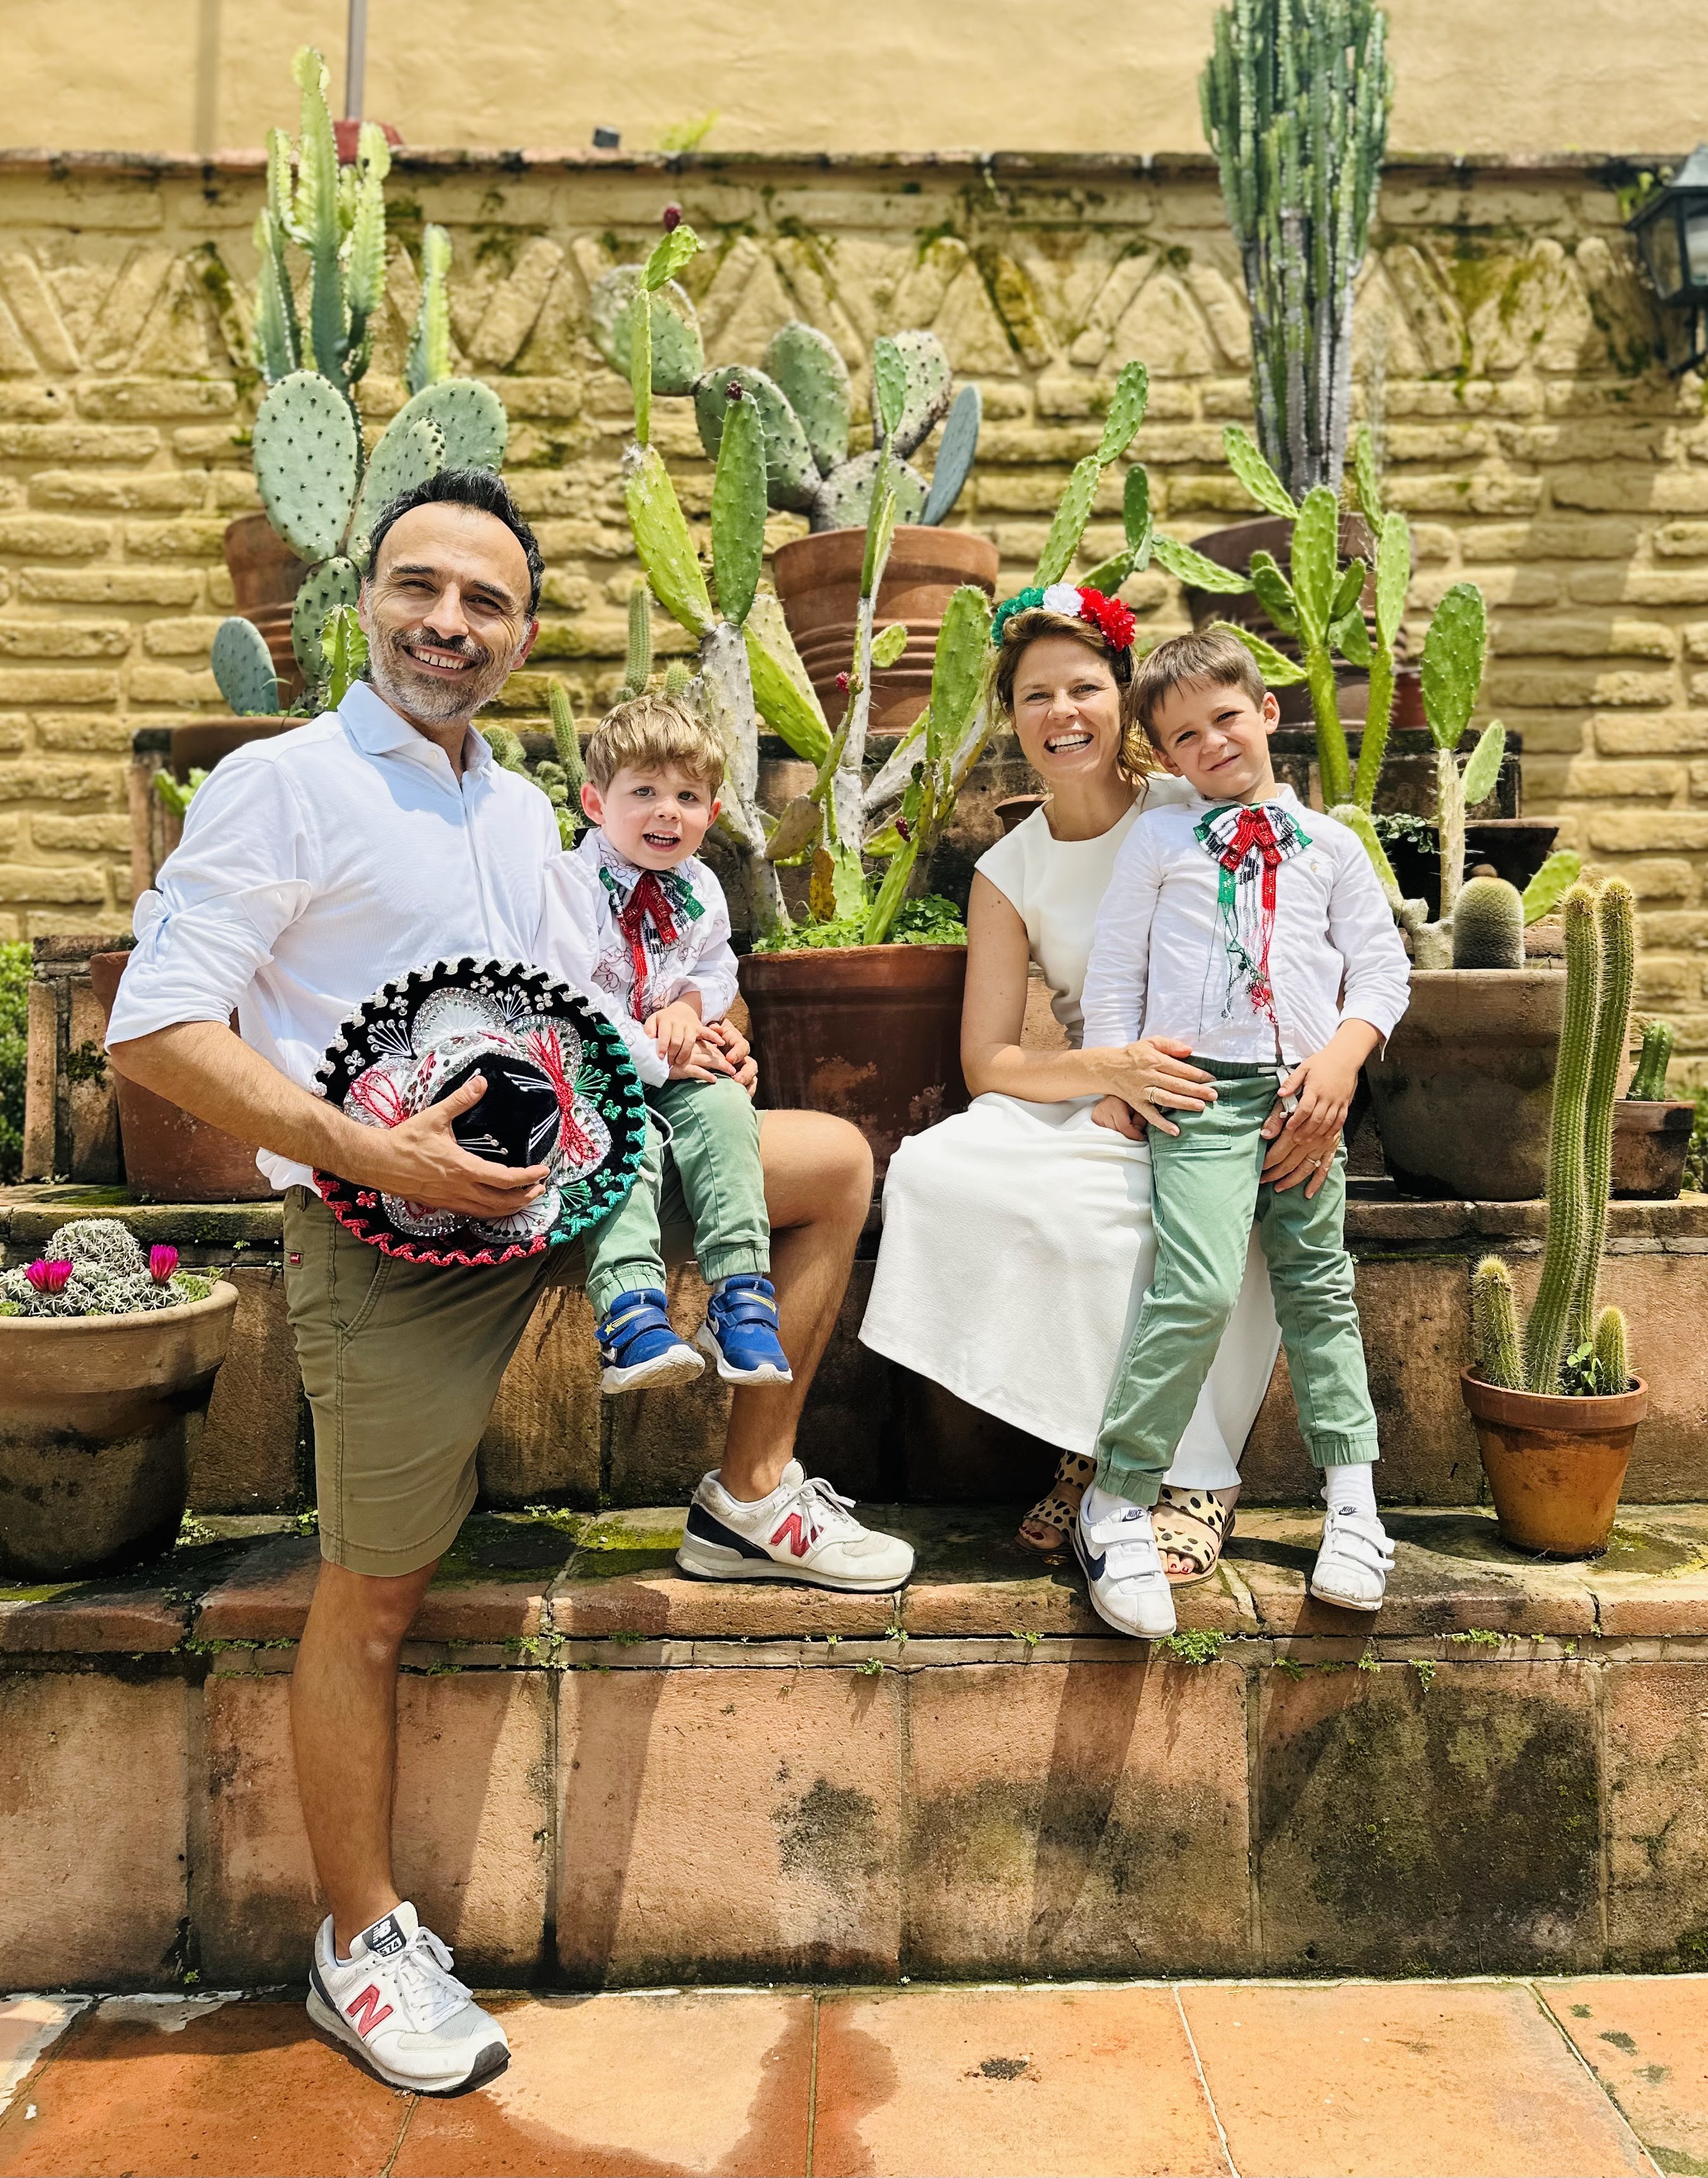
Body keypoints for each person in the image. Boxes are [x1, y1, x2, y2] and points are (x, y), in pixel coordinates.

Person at [103, 466, 912, 2098]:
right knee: (374, 1593)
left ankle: (749, 1489)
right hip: (391, 1240)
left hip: (570, 1188)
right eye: (420, 586)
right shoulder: (283, 786)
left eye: (486, 601)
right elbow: (155, 1029)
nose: (448, 622)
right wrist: (373, 1151)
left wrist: (687, 1043)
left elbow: (575, 996)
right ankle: (359, 1941)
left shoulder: (520, 810)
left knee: (828, 1165)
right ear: (364, 602)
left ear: (523, 636)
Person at [859, 583, 1282, 1581]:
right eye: (1035, 696)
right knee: (936, 1170)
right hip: (1102, 1084)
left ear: (1124, 694)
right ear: (1011, 717)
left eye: (1085, 687)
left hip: (1217, 1082)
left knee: (1108, 1218)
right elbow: (990, 1062)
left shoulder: (1191, 805)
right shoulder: (1008, 871)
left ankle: (1193, 1473)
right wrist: (1106, 1070)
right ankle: (1089, 1435)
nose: (1063, 713)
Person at [1073, 626, 1411, 1641]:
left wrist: (1341, 1064)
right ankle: (1118, 1494)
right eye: (1185, 735)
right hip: (1199, 1092)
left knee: (1318, 1285)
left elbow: (1381, 968)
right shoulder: (1160, 842)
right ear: (1166, 755)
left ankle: (1353, 1502)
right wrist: (1116, 1075)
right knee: (1200, 1285)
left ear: (1266, 712)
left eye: (1226, 717)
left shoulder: (1334, 846)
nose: (1212, 742)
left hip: (1309, 1093)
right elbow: (1117, 969)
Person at [542, 694, 794, 1401]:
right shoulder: (570, 884)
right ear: (596, 802)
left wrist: (688, 1007)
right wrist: (660, 1053)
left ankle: (740, 1293)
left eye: (687, 797)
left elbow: (715, 967)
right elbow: (569, 998)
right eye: (644, 792)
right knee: (629, 1137)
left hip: (672, 1059)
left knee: (726, 1108)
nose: (667, 812)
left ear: (712, 813)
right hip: (589, 1070)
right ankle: (630, 1312)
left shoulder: (700, 886)